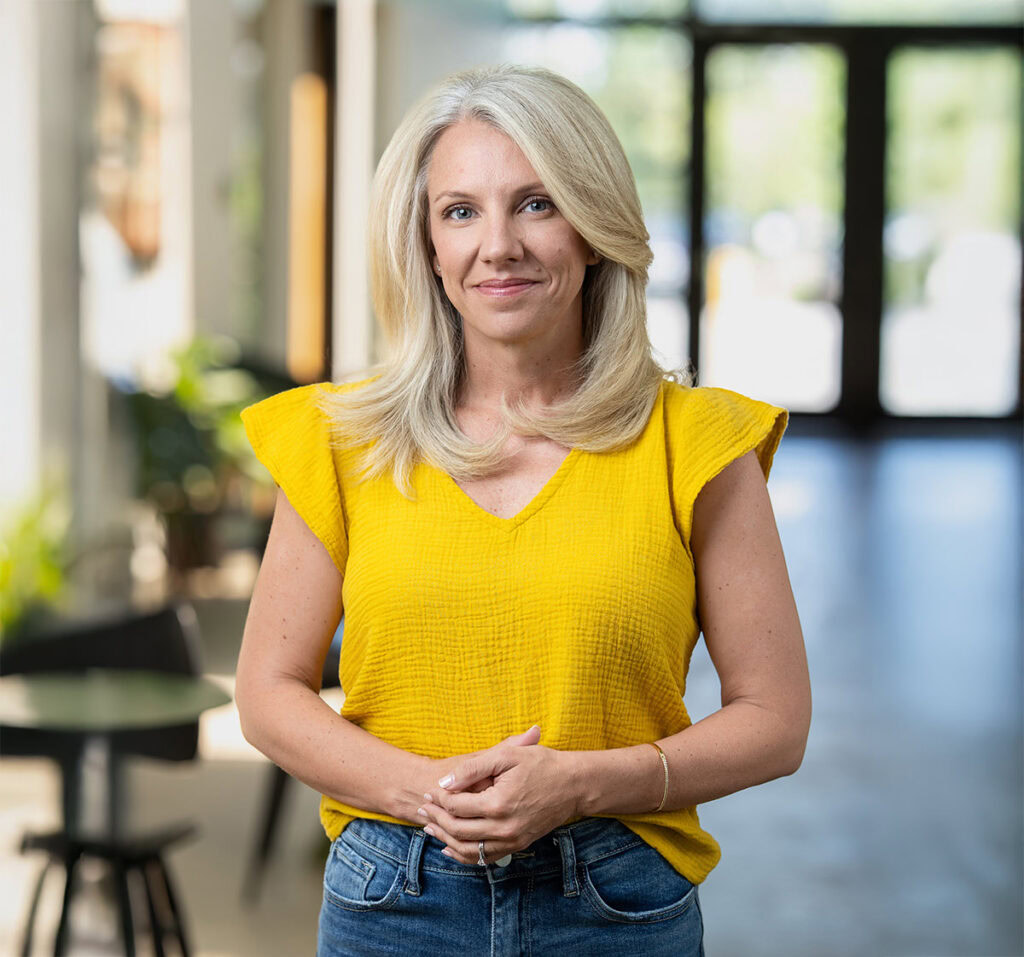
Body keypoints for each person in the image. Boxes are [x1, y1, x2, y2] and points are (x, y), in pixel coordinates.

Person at [236, 63, 811, 957]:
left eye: (536, 203)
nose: (496, 244)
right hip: (396, 898)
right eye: (459, 211)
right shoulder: (342, 441)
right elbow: (269, 693)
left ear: (592, 227)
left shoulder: (695, 443)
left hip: (617, 902)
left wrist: (578, 784)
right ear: (426, 244)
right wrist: (429, 791)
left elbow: (775, 719)